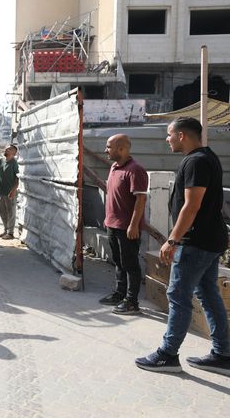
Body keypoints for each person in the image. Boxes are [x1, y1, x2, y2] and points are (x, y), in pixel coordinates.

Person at [136, 117, 230, 374]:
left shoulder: (197, 161)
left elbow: (192, 205)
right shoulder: (207, 156)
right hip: (209, 240)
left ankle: (168, 354)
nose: (167, 139)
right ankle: (223, 354)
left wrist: (172, 239)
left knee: (178, 295)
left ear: (182, 136)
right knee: (209, 294)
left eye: (170, 135)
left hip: (196, 242)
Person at [98, 134, 148, 315]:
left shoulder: (135, 170)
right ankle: (119, 294)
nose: (105, 150)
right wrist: (108, 220)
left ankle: (132, 301)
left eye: (108, 146)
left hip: (127, 227)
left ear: (121, 149)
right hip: (112, 224)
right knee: (118, 262)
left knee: (130, 264)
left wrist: (134, 225)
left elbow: (141, 199)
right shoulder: (114, 167)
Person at [0, 144, 19, 240]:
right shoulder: (1, 161)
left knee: (11, 212)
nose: (6, 149)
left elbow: (17, 179)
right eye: (6, 148)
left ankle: (10, 233)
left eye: (9, 149)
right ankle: (5, 230)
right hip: (1, 192)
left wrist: (13, 190)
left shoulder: (14, 163)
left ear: (13, 153)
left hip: (10, 192)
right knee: (2, 212)